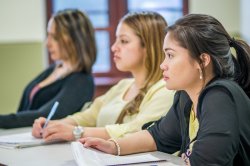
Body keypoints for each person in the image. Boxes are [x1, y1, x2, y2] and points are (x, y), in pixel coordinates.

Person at [80, 14, 250, 166]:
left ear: (202, 60)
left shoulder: (221, 96)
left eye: (170, 55)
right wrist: (113, 146)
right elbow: (157, 136)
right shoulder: (185, 97)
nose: (163, 65)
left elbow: (206, 162)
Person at [32, 11, 175, 142]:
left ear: (149, 46)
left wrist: (77, 132)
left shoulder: (164, 90)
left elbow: (138, 131)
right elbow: (88, 116)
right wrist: (54, 125)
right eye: (116, 40)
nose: (114, 47)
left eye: (124, 41)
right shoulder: (123, 85)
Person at [0, 9, 97, 129]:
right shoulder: (54, 69)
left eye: (55, 37)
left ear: (75, 40)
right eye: (48, 35)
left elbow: (45, 116)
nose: (47, 43)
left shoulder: (82, 81)